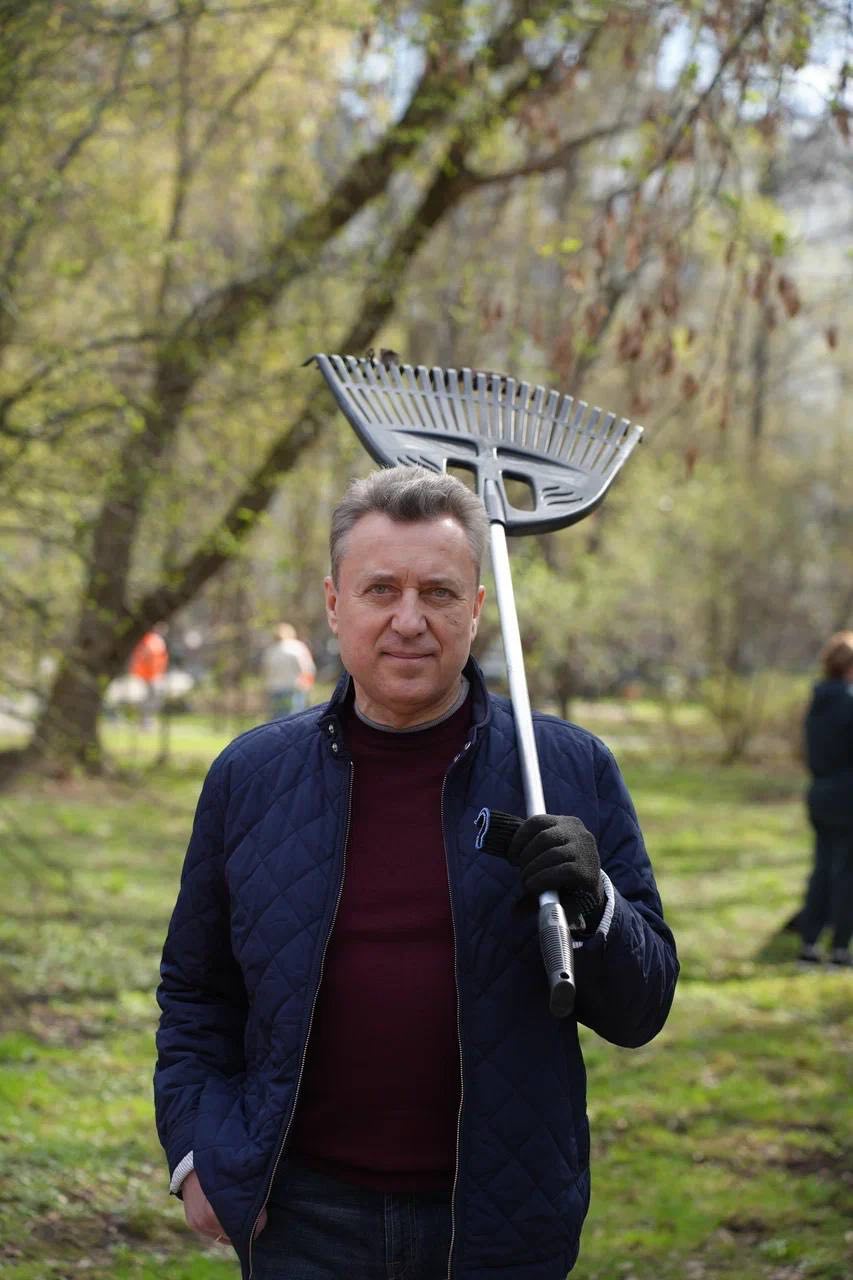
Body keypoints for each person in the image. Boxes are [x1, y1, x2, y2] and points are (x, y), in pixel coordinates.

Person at [154, 467, 679, 1280]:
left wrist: (596, 904)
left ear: (476, 609)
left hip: (497, 1220)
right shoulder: (250, 776)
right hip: (301, 1215)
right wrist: (199, 1155)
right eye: (380, 590)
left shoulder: (565, 770)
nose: (409, 620)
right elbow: (196, 991)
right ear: (335, 604)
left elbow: (641, 1011)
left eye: (438, 593)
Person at [798, 630, 853, 967]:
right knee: (846, 872)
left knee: (822, 869)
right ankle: (841, 949)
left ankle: (809, 944)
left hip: (819, 793)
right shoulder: (848, 703)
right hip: (847, 798)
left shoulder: (817, 702)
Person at [260, 622, 316, 718]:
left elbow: (266, 670)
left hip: (275, 689)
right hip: (294, 688)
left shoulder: (270, 651)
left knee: (277, 719)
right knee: (295, 718)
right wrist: (308, 684)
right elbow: (307, 668)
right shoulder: (297, 647)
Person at [129, 626, 169, 729]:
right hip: (142, 676)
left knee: (154, 699)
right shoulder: (143, 639)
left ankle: (147, 720)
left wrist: (161, 673)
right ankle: (144, 721)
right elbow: (138, 656)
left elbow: (162, 658)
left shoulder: (157, 640)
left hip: (155, 676)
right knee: (143, 699)